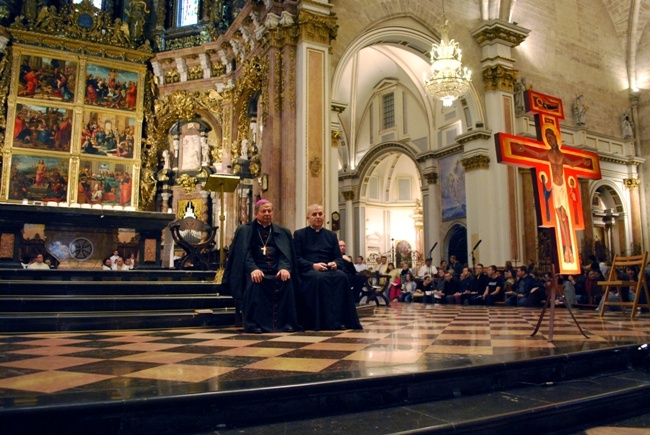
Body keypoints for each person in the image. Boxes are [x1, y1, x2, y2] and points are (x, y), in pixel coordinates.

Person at [222, 199, 299, 333]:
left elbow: (285, 254)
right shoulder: (245, 230)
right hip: (255, 270)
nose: (267, 213)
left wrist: (284, 268)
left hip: (276, 270)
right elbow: (244, 255)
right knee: (255, 284)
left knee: (286, 281)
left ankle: (285, 323)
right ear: (256, 213)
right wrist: (253, 269)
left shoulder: (283, 231)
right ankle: (254, 324)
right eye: (264, 211)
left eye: (269, 211)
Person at [293, 204, 362, 331]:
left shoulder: (331, 235)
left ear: (324, 216)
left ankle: (340, 320)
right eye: (314, 214)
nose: (318, 217)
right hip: (309, 271)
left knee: (342, 277)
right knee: (318, 278)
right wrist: (313, 265)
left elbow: (338, 257)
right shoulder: (300, 235)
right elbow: (297, 258)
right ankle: (319, 322)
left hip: (329, 270)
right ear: (308, 217)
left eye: (320, 214)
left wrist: (335, 263)